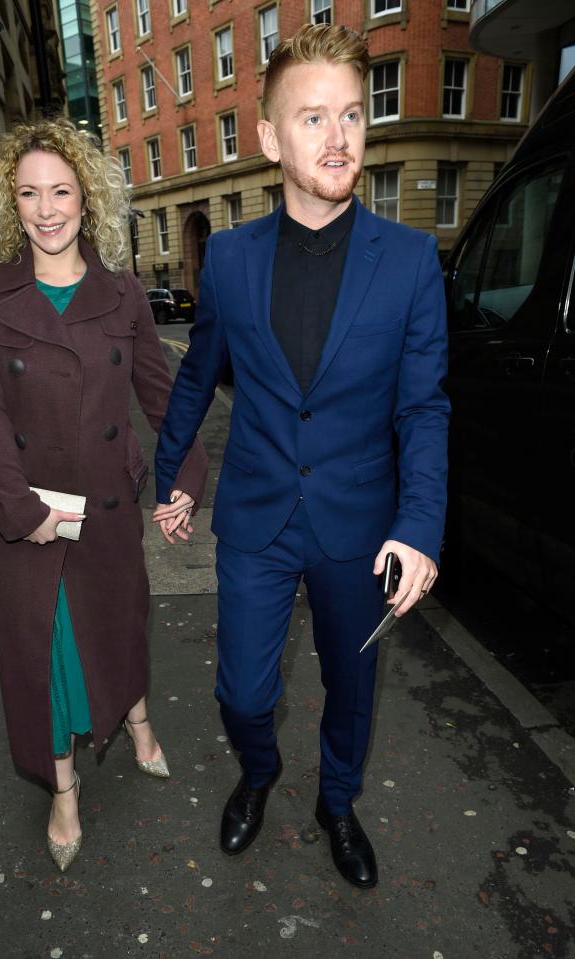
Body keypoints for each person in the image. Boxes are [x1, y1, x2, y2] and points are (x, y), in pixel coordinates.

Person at [153, 24, 449, 889]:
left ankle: (338, 804)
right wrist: (171, 474)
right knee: (243, 692)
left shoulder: (408, 261)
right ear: (270, 137)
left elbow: (423, 406)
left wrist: (419, 525)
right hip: (255, 515)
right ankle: (258, 770)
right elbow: (197, 375)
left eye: (352, 115)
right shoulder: (233, 261)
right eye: (312, 118)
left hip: (361, 526)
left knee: (352, 694)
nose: (339, 137)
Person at [0, 117, 206, 872]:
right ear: (12, 204)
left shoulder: (123, 294)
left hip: (101, 508)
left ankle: (135, 718)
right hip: (26, 513)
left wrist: (183, 483)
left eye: (61, 190)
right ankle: (62, 790)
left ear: (85, 198)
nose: (46, 207)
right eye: (28, 192)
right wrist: (20, 510)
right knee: (44, 654)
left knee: (116, 628)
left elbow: (164, 403)